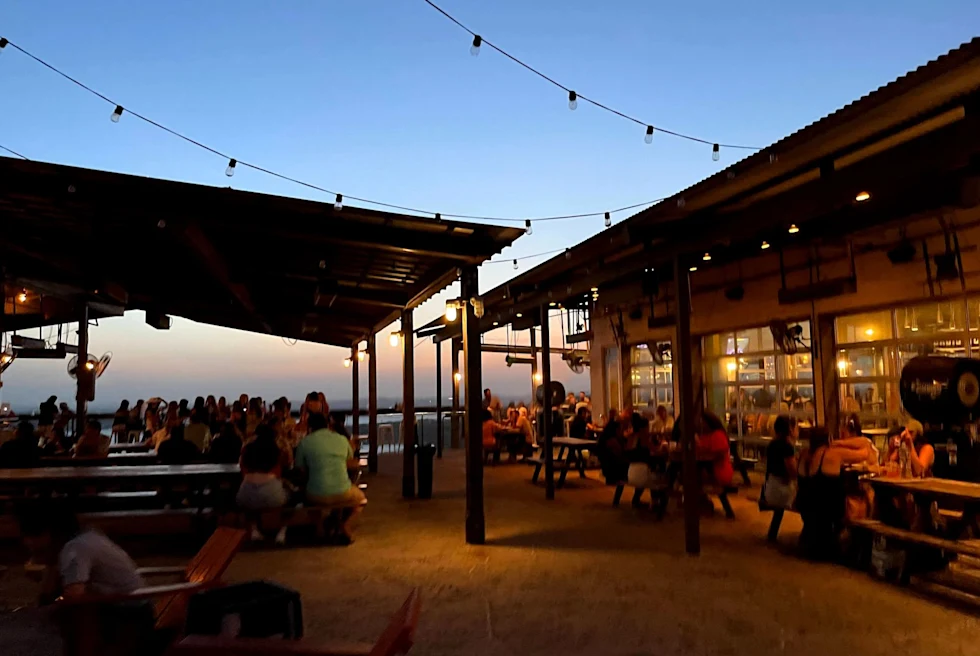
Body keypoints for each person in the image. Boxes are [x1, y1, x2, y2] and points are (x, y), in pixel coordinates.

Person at [19, 501, 153, 652]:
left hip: (128, 616)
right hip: (131, 607)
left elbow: (74, 596)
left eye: (33, 535)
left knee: (66, 615)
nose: (27, 542)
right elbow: (50, 590)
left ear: (52, 532)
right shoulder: (86, 536)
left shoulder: (75, 549)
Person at [295, 413, 365, 544]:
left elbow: (300, 468)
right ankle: (345, 525)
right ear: (328, 425)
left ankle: (319, 527)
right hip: (342, 492)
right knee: (360, 498)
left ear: (309, 428)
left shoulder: (305, 442)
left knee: (306, 494)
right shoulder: (341, 439)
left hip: (315, 494)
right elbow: (350, 460)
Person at [795, 427, 844, 560]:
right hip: (824, 508)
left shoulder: (804, 453)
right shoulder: (829, 454)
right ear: (828, 439)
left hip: (804, 504)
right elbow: (863, 454)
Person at [238, 424, 289, 544]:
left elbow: (242, 469)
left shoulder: (247, 449)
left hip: (246, 492)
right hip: (272, 493)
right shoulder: (276, 450)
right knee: (292, 498)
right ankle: (282, 530)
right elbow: (283, 468)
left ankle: (254, 529)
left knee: (250, 502)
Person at [763, 415, 799, 541]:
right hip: (781, 492)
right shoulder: (786, 447)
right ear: (790, 429)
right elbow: (793, 473)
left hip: (771, 489)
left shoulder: (773, 444)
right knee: (810, 498)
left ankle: (772, 534)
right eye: (796, 427)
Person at [696, 411, 734, 488]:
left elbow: (718, 455)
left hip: (718, 473)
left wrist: (702, 456)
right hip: (710, 471)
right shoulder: (704, 435)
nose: (700, 424)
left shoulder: (717, 435)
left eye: (701, 421)